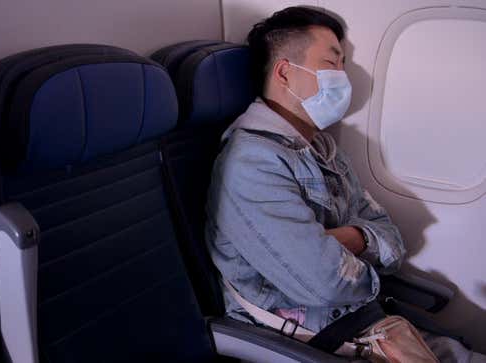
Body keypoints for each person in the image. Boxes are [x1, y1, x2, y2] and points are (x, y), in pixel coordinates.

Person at [204, 6, 485, 362]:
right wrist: (364, 253)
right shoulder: (250, 163)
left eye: (344, 64)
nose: (344, 76)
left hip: (369, 325)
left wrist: (353, 239)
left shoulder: (322, 150)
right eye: (332, 63)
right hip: (315, 342)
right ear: (285, 73)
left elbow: (392, 240)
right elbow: (325, 283)